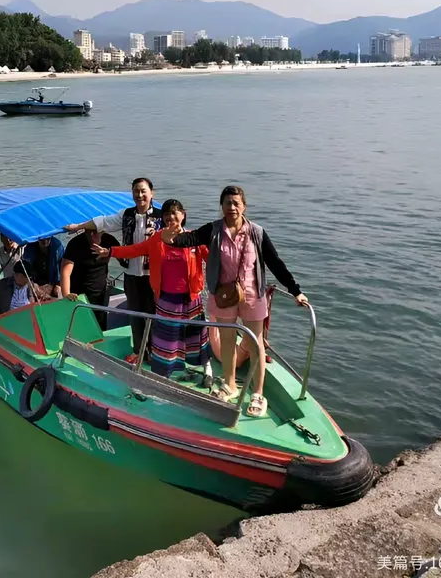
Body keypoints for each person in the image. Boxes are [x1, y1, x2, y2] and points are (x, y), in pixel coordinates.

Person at [161, 185, 308, 418]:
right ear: (221, 207)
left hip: (252, 295)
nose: (232, 207)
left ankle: (258, 394)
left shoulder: (257, 233)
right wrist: (170, 236)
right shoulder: (213, 230)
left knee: (256, 343)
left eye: (236, 203)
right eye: (227, 203)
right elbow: (187, 239)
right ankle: (229, 385)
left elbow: (275, 263)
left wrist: (296, 290)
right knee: (227, 343)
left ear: (244, 206)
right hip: (224, 295)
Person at [93, 199, 211, 382]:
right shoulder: (157, 238)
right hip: (166, 298)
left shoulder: (193, 238)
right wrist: (110, 252)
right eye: (166, 214)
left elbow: (212, 259)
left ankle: (207, 370)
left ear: (183, 214)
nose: (171, 217)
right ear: (162, 218)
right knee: (167, 339)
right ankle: (165, 375)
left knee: (196, 336)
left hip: (191, 297)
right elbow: (135, 249)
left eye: (175, 213)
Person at [64, 178, 161, 363]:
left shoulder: (161, 217)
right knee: (134, 314)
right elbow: (103, 222)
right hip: (132, 274)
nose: (140, 195)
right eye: (136, 191)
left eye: (143, 191)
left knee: (153, 314)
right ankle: (139, 351)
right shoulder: (126, 215)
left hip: (153, 275)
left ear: (151, 193)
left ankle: (156, 352)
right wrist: (79, 226)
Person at [60, 228, 118, 329]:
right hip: (79, 295)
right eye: (90, 232)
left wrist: (109, 252)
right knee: (80, 328)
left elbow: (125, 257)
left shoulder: (108, 240)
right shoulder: (75, 244)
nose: (93, 235)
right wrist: (66, 295)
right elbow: (65, 271)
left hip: (101, 294)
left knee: (100, 328)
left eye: (96, 232)